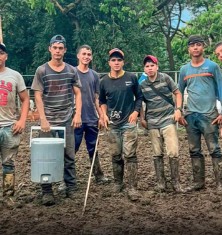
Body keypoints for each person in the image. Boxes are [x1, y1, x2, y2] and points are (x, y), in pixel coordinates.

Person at [31, 35, 82, 206]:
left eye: (61, 48)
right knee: (45, 155)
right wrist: (43, 119)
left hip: (67, 118)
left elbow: (78, 93)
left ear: (65, 50)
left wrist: (78, 114)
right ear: (50, 49)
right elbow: (37, 96)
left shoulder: (71, 71)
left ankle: (71, 187)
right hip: (48, 120)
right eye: (55, 47)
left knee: (69, 154)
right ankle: (47, 191)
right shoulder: (42, 71)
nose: (58, 51)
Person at [178, 35, 222, 192]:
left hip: (209, 116)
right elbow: (179, 91)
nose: (195, 48)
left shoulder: (212, 67)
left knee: (214, 149)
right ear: (188, 49)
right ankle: (198, 182)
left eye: (198, 45)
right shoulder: (184, 69)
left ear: (203, 47)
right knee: (194, 151)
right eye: (192, 45)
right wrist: (179, 111)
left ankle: (220, 183)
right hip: (191, 116)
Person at [99, 48, 143, 201]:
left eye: (119, 60)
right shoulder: (103, 81)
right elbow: (102, 101)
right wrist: (103, 115)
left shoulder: (131, 77)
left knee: (130, 154)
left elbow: (139, 97)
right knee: (115, 154)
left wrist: (136, 112)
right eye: (113, 60)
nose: (116, 62)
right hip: (112, 123)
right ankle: (118, 183)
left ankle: (132, 186)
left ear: (123, 62)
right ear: (109, 62)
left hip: (128, 122)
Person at [139, 55, 184, 193]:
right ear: (144, 69)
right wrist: (142, 118)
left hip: (168, 119)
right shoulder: (142, 85)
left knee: (173, 151)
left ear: (157, 66)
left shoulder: (165, 78)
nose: (150, 68)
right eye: (147, 66)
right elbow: (140, 102)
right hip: (152, 122)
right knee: (157, 153)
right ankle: (161, 182)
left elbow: (177, 93)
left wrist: (178, 109)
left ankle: (176, 182)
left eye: (152, 65)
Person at [74, 45, 109, 184]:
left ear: (91, 57)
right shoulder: (72, 72)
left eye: (89, 54)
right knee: (72, 148)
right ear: (78, 56)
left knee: (93, 147)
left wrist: (101, 115)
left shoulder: (94, 75)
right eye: (84, 53)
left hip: (91, 118)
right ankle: (67, 178)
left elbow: (96, 98)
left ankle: (98, 174)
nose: (86, 56)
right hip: (76, 118)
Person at [0, 43, 29, 201]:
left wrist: (22, 120)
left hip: (9, 127)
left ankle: (8, 196)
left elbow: (25, 100)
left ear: (6, 56)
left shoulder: (15, 75)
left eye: (1, 53)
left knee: (8, 163)